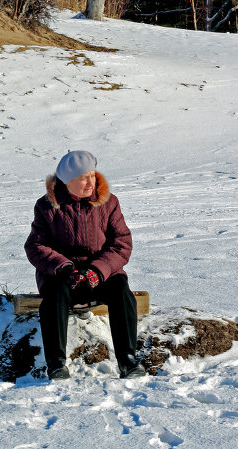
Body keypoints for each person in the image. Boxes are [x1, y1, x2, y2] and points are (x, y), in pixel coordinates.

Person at [25, 150, 146, 380]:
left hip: (101, 273)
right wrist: (64, 267)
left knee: (121, 290)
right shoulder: (46, 206)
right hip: (63, 275)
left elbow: (121, 243)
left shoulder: (108, 202)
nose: (91, 182)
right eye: (84, 177)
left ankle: (128, 360)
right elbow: (36, 246)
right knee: (54, 294)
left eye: (92, 175)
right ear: (67, 181)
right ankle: (56, 363)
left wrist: (97, 271)